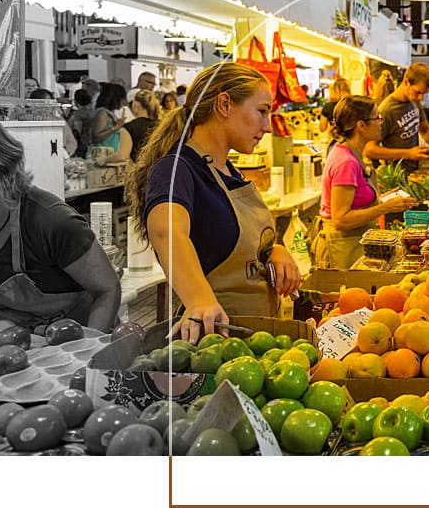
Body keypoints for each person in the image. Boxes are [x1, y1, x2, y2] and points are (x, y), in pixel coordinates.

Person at [126, 62, 302, 343]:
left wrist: (273, 251)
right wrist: (199, 299)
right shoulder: (177, 168)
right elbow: (167, 232)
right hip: (214, 342)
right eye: (261, 111)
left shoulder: (230, 172)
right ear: (224, 104)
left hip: (258, 341)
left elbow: (225, 240)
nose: (268, 127)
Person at [0, 120, 120, 331]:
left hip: (84, 337)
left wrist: (89, 346)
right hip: (22, 345)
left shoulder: (50, 220)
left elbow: (107, 289)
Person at [315, 96, 419, 269]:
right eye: (377, 118)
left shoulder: (352, 153)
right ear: (361, 126)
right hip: (341, 249)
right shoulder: (346, 162)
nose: (381, 122)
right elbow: (341, 219)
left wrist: (385, 199)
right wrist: (384, 208)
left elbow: (356, 202)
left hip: (352, 245)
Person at [365, 63, 429, 173]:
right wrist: (408, 154)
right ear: (406, 82)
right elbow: (369, 150)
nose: (421, 98)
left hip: (414, 172)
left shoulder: (414, 101)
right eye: (418, 92)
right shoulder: (386, 110)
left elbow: (424, 129)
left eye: (423, 94)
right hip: (397, 176)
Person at [91, 82, 130, 165]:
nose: (124, 102)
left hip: (110, 159)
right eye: (122, 99)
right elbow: (96, 137)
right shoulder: (102, 113)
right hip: (101, 160)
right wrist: (115, 127)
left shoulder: (110, 113)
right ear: (116, 99)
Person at [123, 90, 160, 163]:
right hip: (160, 166)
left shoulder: (129, 127)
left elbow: (122, 156)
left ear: (136, 105)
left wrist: (104, 159)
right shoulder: (163, 125)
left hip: (139, 167)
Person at [68, 89, 95, 158]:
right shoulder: (93, 112)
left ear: (76, 101)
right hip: (92, 143)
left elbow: (77, 131)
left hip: (83, 145)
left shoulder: (79, 114)